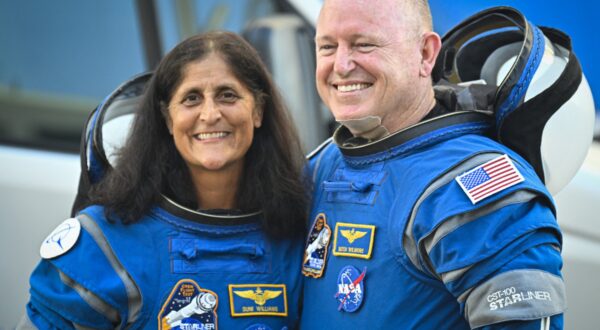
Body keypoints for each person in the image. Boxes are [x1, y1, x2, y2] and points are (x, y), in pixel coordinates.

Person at [300, 0, 566, 329]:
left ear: (426, 54)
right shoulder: (323, 164)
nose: (340, 65)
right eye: (327, 46)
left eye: (363, 44)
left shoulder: (476, 187)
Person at [20, 31, 308, 329]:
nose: (210, 114)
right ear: (168, 118)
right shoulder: (104, 245)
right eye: (191, 98)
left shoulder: (294, 237)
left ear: (258, 109)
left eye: (228, 95)